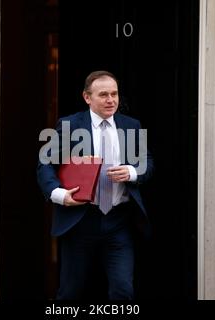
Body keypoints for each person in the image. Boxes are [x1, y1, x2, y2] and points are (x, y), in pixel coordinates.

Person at [37, 70, 154, 300]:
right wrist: (59, 194)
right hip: (80, 221)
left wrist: (131, 171)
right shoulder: (70, 125)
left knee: (123, 290)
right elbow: (45, 163)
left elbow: (147, 162)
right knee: (70, 292)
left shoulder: (131, 125)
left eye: (114, 94)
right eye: (103, 95)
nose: (111, 100)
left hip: (119, 222)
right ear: (87, 97)